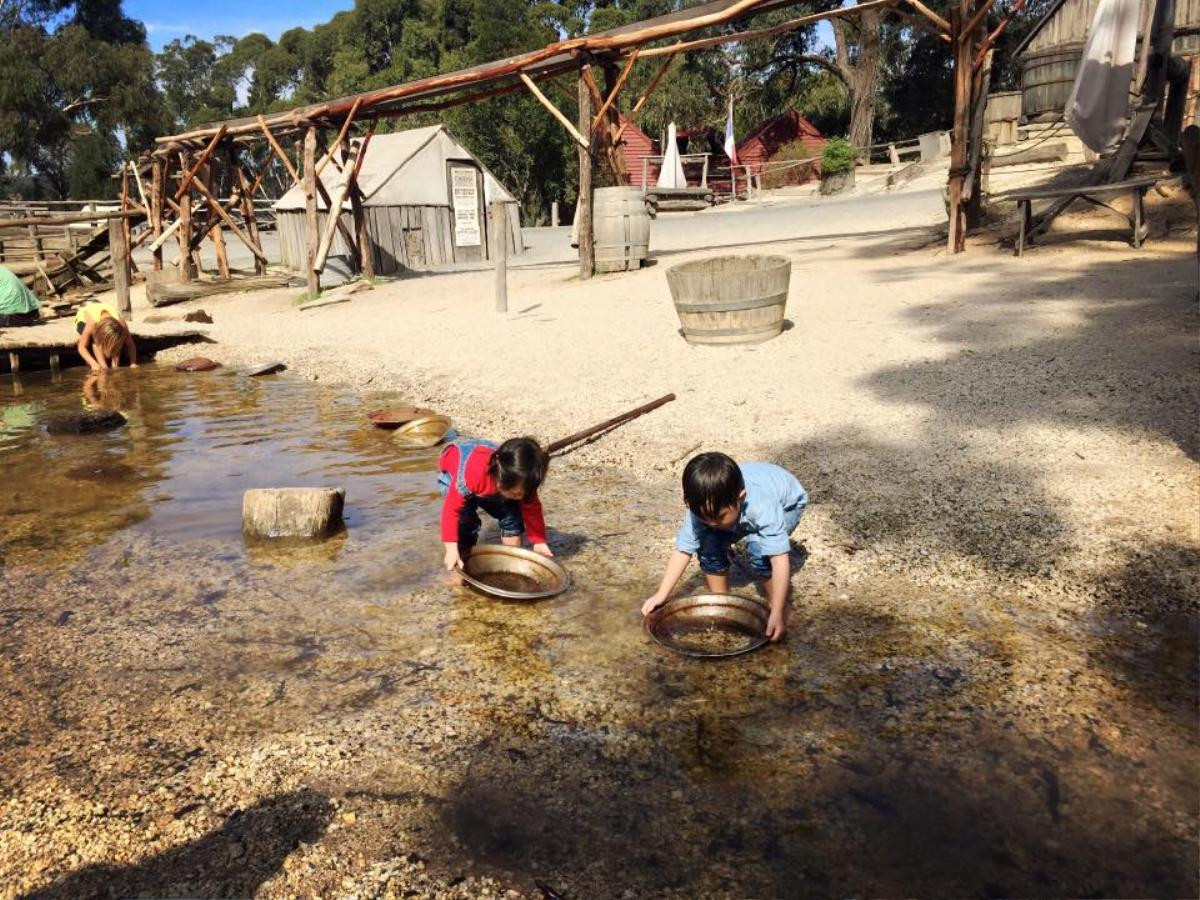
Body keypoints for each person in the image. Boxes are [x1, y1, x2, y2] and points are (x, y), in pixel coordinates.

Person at [642, 452, 807, 641]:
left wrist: (776, 611)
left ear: (740, 498)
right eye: (704, 517)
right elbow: (683, 550)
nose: (711, 522)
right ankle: (721, 601)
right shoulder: (703, 510)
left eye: (719, 516)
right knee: (708, 541)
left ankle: (777, 603)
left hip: (788, 504)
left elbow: (779, 559)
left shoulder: (762, 506)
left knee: (759, 550)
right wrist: (661, 594)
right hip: (739, 505)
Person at [437, 436, 552, 571]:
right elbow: (451, 511)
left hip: (489, 463)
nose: (520, 497)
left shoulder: (523, 480)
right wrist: (451, 548)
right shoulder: (473, 475)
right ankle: (461, 562)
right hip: (455, 471)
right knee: (465, 523)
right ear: (500, 480)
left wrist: (539, 541)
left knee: (512, 516)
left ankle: (511, 560)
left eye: (523, 493)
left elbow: (532, 511)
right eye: (516, 494)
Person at [75, 300, 137, 370]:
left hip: (100, 306)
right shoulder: (92, 323)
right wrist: (94, 364)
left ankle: (115, 366)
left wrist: (133, 363)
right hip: (84, 313)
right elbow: (81, 347)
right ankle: (104, 366)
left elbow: (130, 344)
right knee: (92, 340)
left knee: (117, 343)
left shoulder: (121, 324)